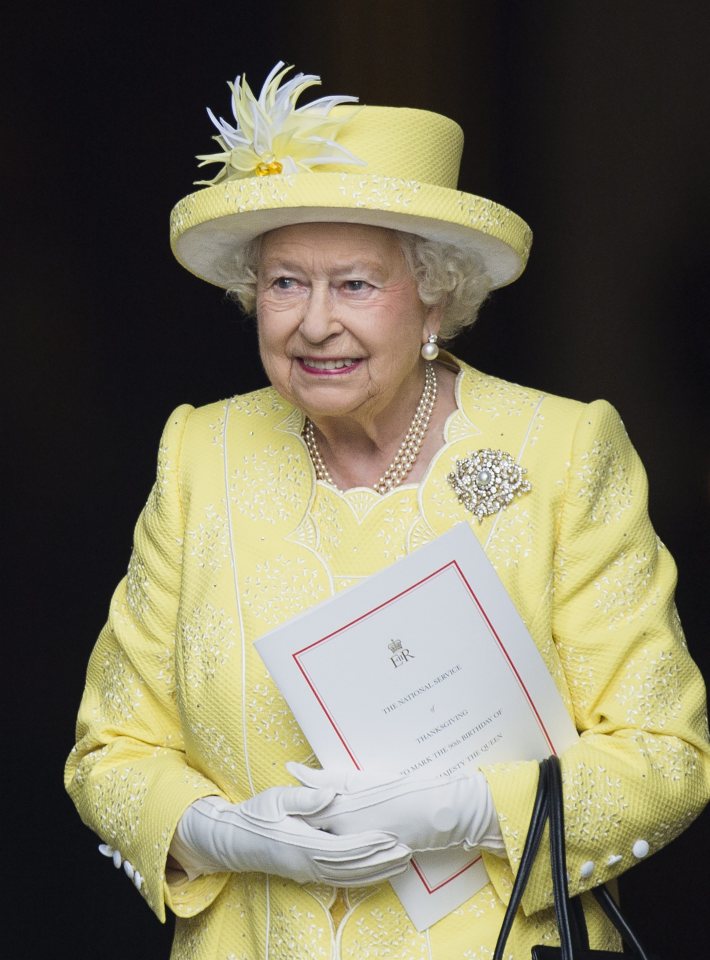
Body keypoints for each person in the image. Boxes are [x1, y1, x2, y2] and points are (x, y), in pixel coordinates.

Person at [65, 61, 710, 960]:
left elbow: (665, 757)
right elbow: (111, 750)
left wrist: (471, 811)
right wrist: (219, 833)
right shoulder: (198, 456)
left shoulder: (561, 453)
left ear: (436, 294)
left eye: (356, 286)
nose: (313, 323)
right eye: (286, 283)